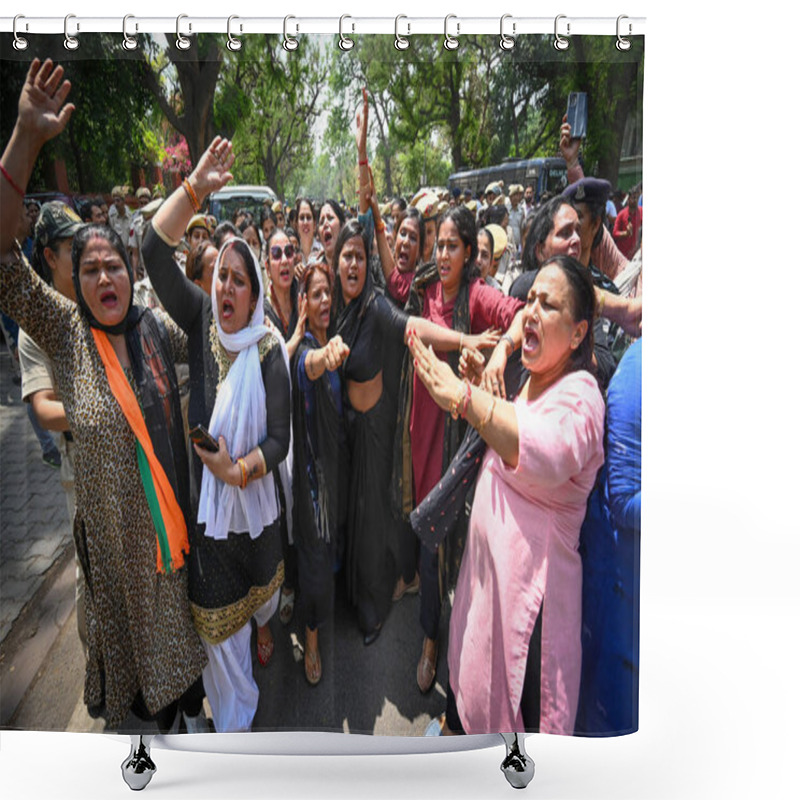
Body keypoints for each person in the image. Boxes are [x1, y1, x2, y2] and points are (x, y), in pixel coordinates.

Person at [0, 59, 206, 733]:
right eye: (88, 268)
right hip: (109, 557)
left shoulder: (154, 329)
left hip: (166, 546)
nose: (102, 275)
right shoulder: (63, 331)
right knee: (129, 695)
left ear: (128, 271)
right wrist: (26, 140)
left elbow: (215, 340)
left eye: (113, 263)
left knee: (175, 690)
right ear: (75, 284)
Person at [408, 254, 605, 735]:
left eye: (548, 304)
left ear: (578, 333)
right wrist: (480, 385)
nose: (531, 311)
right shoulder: (532, 379)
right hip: (485, 598)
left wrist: (463, 397)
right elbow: (508, 425)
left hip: (529, 624)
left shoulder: (581, 395)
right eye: (530, 299)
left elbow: (551, 449)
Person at [142, 138, 292, 733]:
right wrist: (195, 188)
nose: (225, 288)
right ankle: (235, 728)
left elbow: (278, 440)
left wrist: (239, 470)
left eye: (238, 281)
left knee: (263, 605)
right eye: (220, 278)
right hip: (208, 521)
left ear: (254, 297)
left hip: (254, 511)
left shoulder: (269, 349)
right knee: (218, 639)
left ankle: (261, 633)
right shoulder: (202, 319)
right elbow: (153, 251)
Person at [329, 220, 499, 645]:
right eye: (346, 256)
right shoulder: (335, 308)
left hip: (373, 438)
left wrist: (464, 340)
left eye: (360, 256)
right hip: (345, 437)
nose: (353, 264)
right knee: (350, 521)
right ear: (335, 264)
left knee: (371, 528)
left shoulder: (375, 306)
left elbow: (415, 328)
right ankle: (352, 600)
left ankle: (373, 612)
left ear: (369, 265)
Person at [386, 206, 523, 694]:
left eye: (453, 247)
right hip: (415, 427)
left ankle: (430, 639)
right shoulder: (422, 288)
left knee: (439, 539)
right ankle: (427, 616)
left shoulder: (479, 297)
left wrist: (500, 352)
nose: (443, 255)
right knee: (419, 526)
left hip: (453, 440)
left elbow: (522, 315)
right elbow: (404, 318)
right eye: (438, 245)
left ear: (469, 253)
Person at [291, 262, 350, 685]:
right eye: (316, 294)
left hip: (335, 470)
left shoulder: (336, 336)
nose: (325, 300)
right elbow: (308, 367)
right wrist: (323, 359)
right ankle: (310, 638)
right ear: (303, 304)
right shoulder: (306, 350)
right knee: (314, 561)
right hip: (312, 481)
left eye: (328, 292)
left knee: (330, 551)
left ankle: (324, 614)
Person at [295, 197, 320, 269]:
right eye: (302, 218)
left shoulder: (322, 252)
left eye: (308, 217)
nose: (305, 222)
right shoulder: (292, 255)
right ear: (296, 225)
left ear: (314, 225)